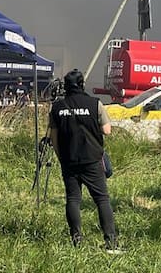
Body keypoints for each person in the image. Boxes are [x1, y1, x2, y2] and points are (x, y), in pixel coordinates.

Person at [48, 69, 120, 252]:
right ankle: (111, 243)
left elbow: (54, 138)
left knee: (73, 199)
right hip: (92, 159)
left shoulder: (57, 107)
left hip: (69, 160)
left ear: (65, 86)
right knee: (102, 199)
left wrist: (61, 157)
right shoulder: (94, 104)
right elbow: (107, 130)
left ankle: (77, 241)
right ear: (82, 84)